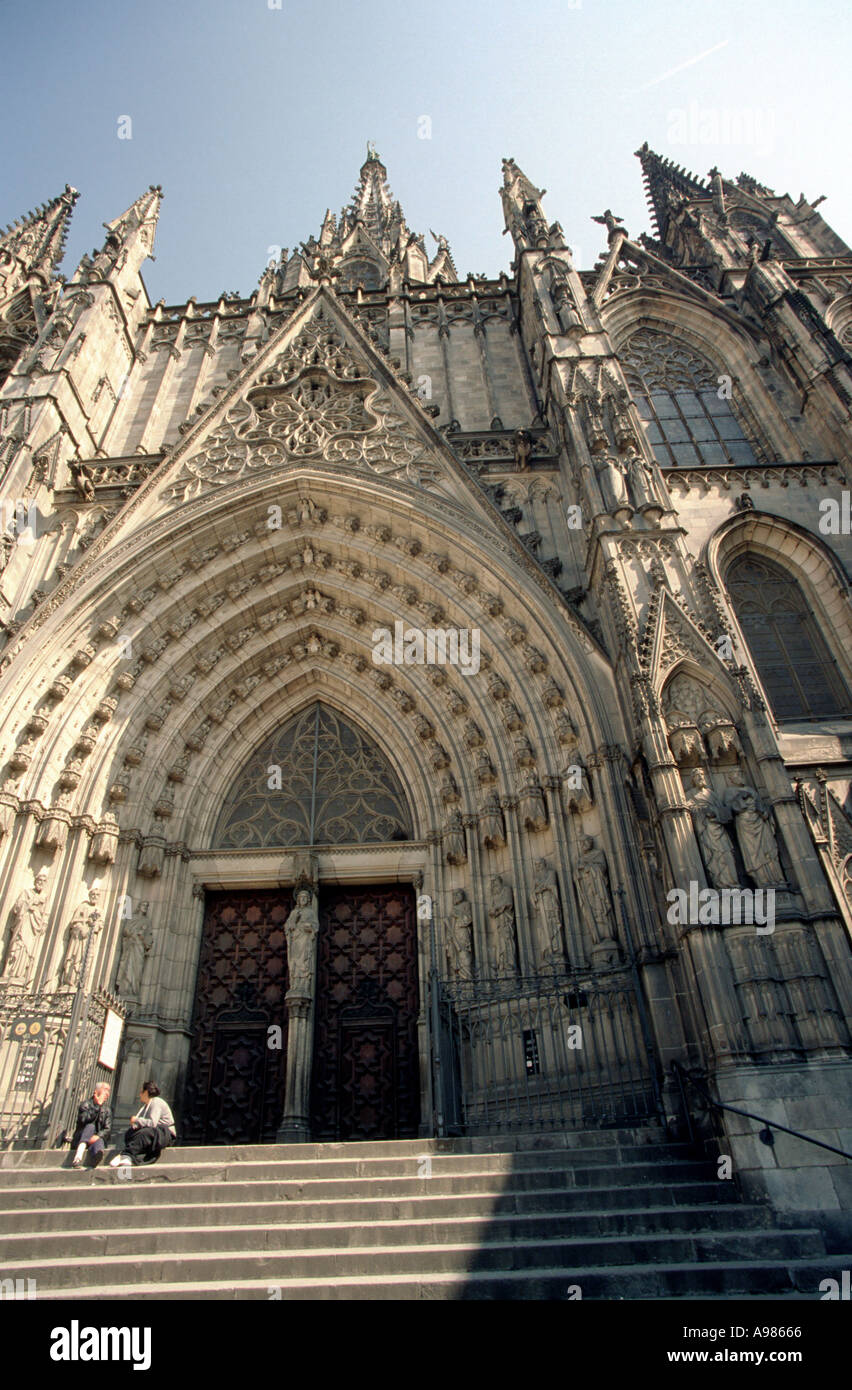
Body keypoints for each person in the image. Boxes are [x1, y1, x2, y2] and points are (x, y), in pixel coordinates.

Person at [108, 1081, 176, 1167]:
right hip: (154, 1132)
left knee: (144, 1133)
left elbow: (152, 1123)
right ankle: (126, 1154)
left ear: (146, 1092)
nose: (140, 1094)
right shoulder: (145, 1107)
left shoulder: (156, 1102)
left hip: (165, 1133)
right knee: (131, 1133)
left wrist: (137, 1120)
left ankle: (126, 1155)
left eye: (141, 1092)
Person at [69, 1081, 112, 1168]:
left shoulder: (107, 1110)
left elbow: (107, 1129)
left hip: (95, 1139)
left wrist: (97, 1136)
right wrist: (96, 1107)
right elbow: (83, 1120)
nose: (107, 1093)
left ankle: (97, 1156)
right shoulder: (86, 1104)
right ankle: (78, 1155)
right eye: (105, 1090)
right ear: (96, 1091)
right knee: (90, 1127)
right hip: (81, 1138)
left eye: (109, 1091)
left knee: (99, 1141)